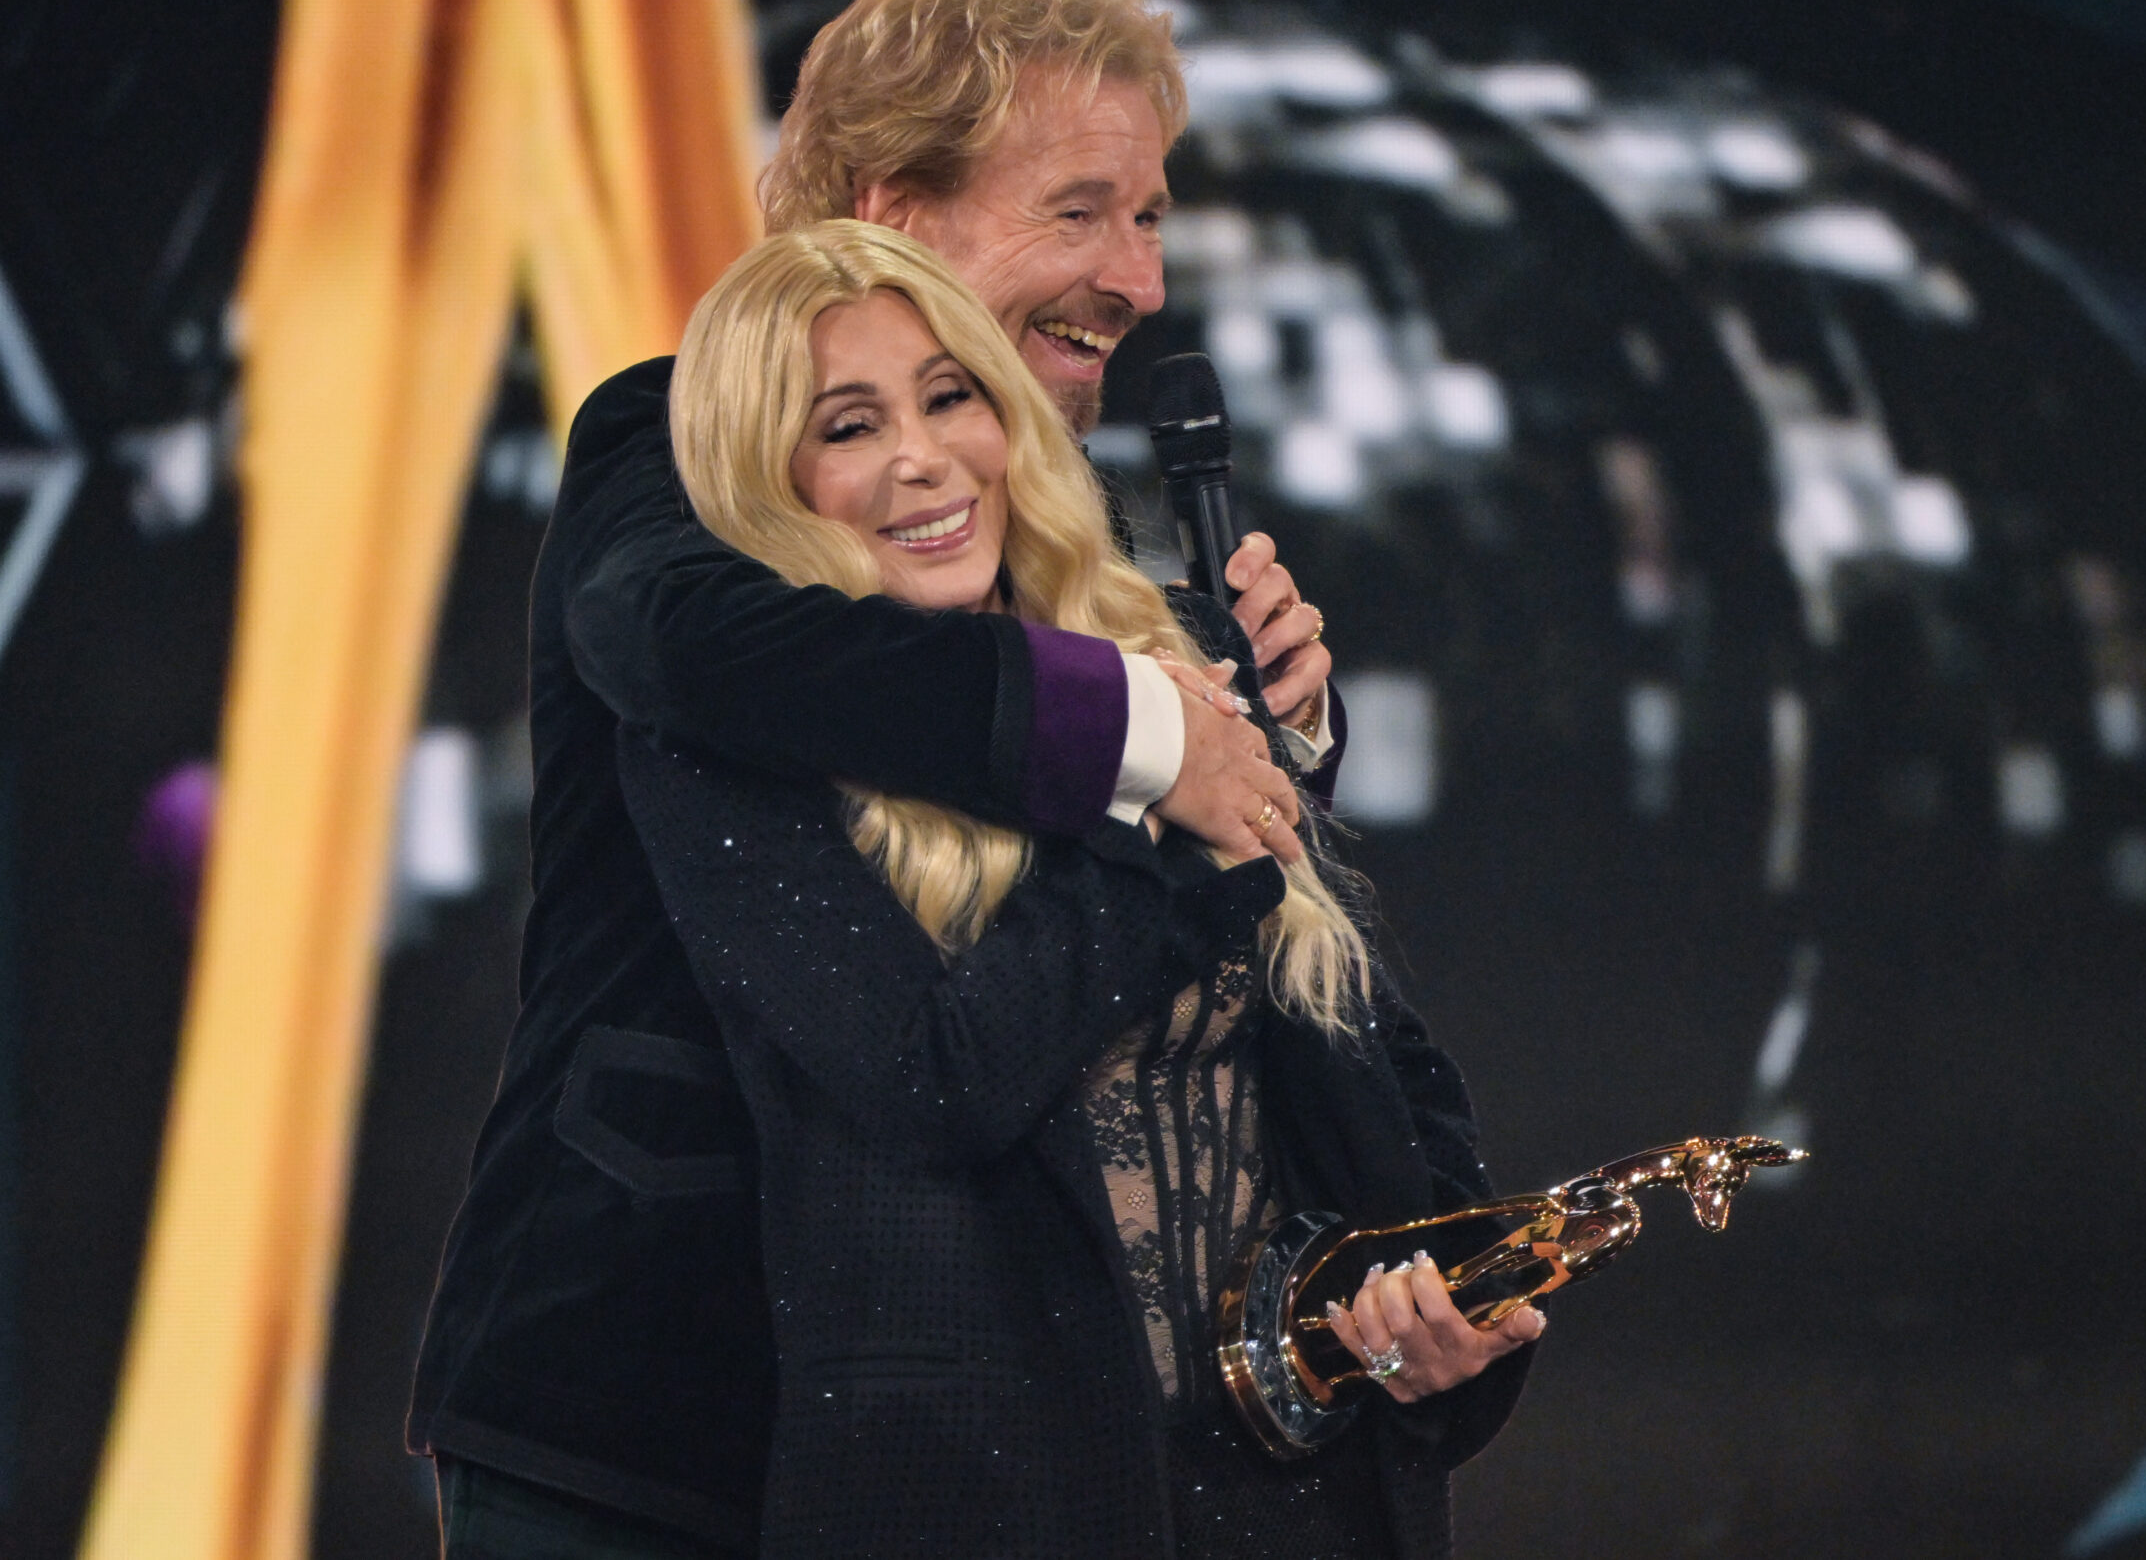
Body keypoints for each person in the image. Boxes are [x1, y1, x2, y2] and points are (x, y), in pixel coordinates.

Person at [412, 0, 1349, 1555]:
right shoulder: (672, 447)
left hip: (974, 1442)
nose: (1141, 281)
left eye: (1150, 216)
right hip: (653, 1418)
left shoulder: (1064, 539)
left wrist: (1265, 737)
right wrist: (1137, 727)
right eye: (1081, 211)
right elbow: (684, 639)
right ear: (895, 219)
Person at [625, 216, 1535, 1559]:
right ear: (771, 481)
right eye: (851, 426)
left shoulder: (1161, 659)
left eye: (951, 398)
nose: (926, 457)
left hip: (1301, 1510)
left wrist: (1446, 1327)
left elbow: (1372, 1065)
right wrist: (1171, 828)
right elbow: (935, 1080)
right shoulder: (734, 760)